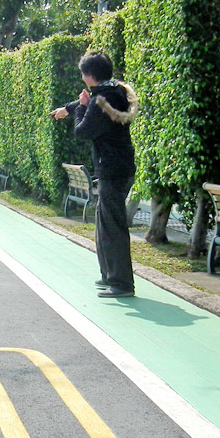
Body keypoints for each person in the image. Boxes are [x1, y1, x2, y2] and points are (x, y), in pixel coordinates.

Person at [51, 51, 138, 298]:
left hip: (112, 168)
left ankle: (121, 284)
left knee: (112, 227)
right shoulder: (115, 92)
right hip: (118, 166)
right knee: (105, 223)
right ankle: (109, 275)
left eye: (82, 74)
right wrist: (69, 108)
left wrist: (77, 110)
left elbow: (83, 130)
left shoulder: (102, 99)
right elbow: (89, 106)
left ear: (88, 75)